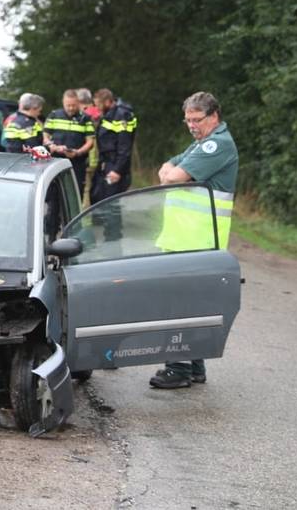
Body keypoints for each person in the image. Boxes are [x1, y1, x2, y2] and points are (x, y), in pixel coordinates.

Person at [150, 91, 239, 390]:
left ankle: (177, 368)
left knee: (177, 306)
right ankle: (195, 366)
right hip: (186, 238)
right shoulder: (202, 143)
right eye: (187, 119)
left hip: (195, 240)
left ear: (214, 117)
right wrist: (170, 173)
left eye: (197, 120)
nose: (191, 125)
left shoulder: (216, 144)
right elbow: (168, 166)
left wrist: (171, 174)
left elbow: (174, 176)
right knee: (190, 305)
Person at [90, 88, 137, 204]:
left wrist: (117, 170)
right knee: (96, 198)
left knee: (110, 205)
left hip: (114, 165)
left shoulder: (122, 116)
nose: (97, 108)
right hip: (104, 163)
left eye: (99, 105)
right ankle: (98, 223)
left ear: (107, 102)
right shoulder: (108, 115)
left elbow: (124, 147)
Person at [43, 89, 95, 192]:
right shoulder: (54, 115)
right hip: (55, 161)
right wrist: (51, 146)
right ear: (63, 102)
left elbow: (90, 141)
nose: (71, 108)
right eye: (68, 105)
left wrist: (78, 152)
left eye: (73, 105)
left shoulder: (85, 119)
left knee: (75, 191)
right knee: (54, 193)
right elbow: (45, 137)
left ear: (78, 103)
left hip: (77, 163)